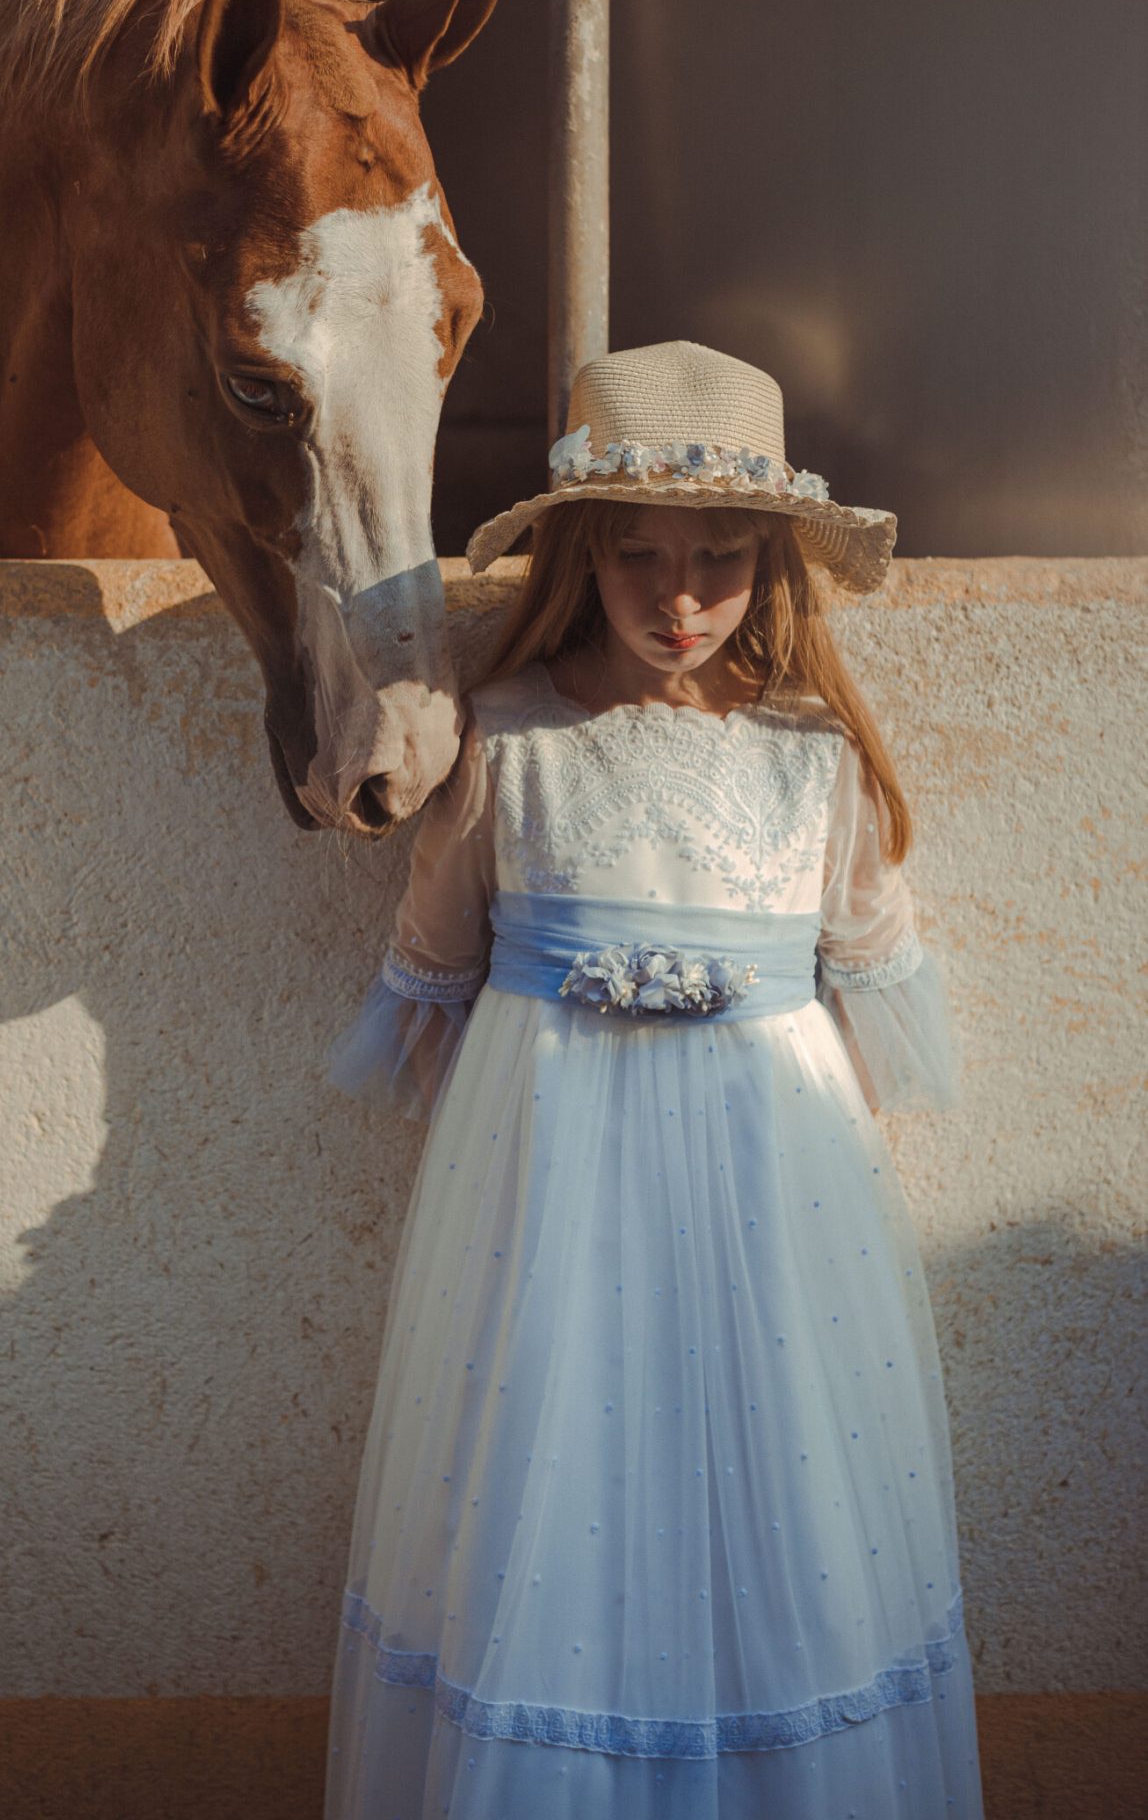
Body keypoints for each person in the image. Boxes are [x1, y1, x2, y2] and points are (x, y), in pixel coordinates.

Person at [321, 340, 986, 1818]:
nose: (680, 599)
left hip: (770, 1187)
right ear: (583, 554)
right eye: (641, 560)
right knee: (557, 1497)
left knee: (780, 1492)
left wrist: (826, 1234)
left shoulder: (813, 757)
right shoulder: (511, 739)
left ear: (775, 566)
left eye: (721, 562)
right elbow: (436, 969)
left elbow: (867, 986)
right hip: (555, 1186)